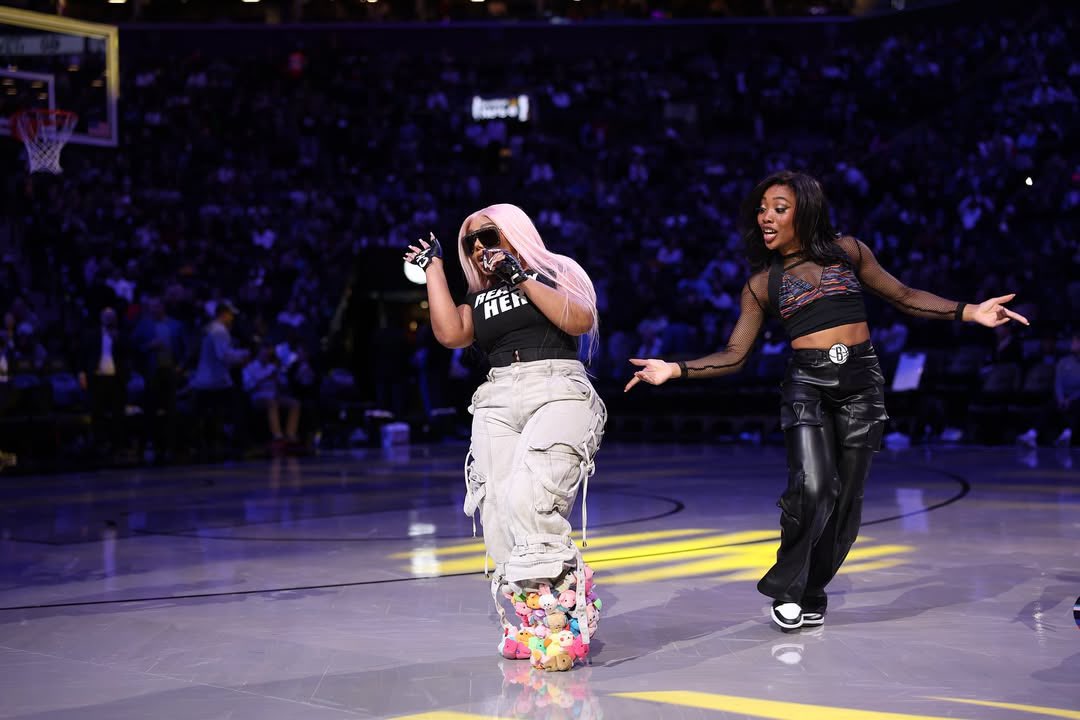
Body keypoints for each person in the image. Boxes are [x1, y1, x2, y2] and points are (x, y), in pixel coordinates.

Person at [625, 171, 1029, 631]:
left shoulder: (849, 252)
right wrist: (674, 369)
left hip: (862, 383)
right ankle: (787, 588)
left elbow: (904, 296)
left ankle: (813, 589)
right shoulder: (762, 285)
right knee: (814, 489)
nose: (766, 217)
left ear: (806, 212)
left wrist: (971, 311)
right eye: (762, 209)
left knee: (847, 503)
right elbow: (735, 354)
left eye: (779, 208)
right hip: (807, 385)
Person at [404, 203, 606, 671]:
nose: (479, 246)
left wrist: (519, 275)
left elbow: (578, 321)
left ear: (514, 233)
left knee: (530, 499)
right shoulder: (478, 296)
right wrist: (434, 268)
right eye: (470, 241)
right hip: (497, 394)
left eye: (489, 235)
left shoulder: (554, 271)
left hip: (556, 386)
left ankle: (565, 621)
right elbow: (451, 334)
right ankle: (530, 618)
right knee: (496, 509)